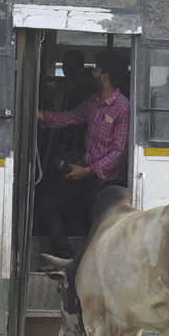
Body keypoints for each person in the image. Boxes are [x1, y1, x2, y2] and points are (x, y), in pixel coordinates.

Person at [35, 49, 129, 263]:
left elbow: (119, 152)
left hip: (105, 182)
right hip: (84, 170)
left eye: (96, 70)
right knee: (48, 203)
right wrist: (38, 114)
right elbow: (68, 118)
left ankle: (89, 270)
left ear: (105, 76)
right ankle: (66, 258)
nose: (92, 73)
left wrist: (87, 171)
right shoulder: (94, 102)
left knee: (102, 231)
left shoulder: (123, 108)